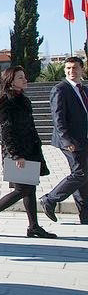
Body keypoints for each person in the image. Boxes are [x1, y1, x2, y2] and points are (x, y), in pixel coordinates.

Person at [0, 66, 56, 238]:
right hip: (16, 152)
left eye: (24, 76)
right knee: (21, 190)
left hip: (29, 149)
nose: (25, 79)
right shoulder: (6, 100)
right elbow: (7, 130)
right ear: (10, 81)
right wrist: (15, 154)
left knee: (30, 189)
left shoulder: (24, 99)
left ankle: (33, 226)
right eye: (20, 77)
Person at [40, 56, 88, 225]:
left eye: (74, 68)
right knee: (80, 173)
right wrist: (66, 140)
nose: (71, 71)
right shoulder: (60, 89)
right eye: (68, 68)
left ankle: (85, 215)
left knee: (83, 175)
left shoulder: (84, 89)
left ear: (82, 69)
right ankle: (50, 199)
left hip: (84, 138)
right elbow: (58, 117)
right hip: (70, 141)